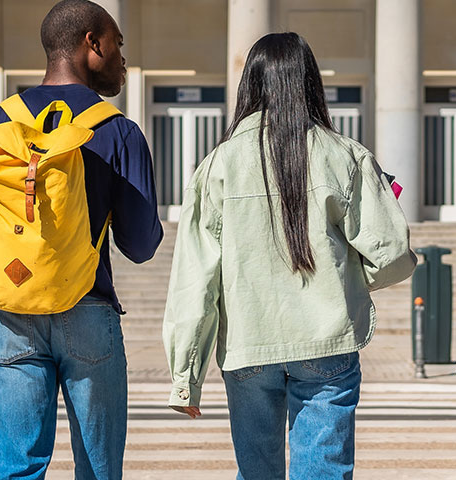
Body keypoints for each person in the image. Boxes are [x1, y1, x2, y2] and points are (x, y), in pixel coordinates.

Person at [162, 32, 417, 480]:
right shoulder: (345, 156)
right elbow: (394, 255)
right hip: (326, 339)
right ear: (310, 83)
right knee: (323, 470)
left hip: (248, 344)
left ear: (250, 86)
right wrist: (345, 278)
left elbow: (194, 281)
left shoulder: (216, 166)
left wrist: (186, 376)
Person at [0, 1, 162, 479]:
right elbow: (141, 246)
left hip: (12, 312)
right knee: (98, 471)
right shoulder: (118, 132)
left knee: (17, 471)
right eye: (118, 44)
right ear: (92, 43)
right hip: (88, 309)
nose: (122, 58)